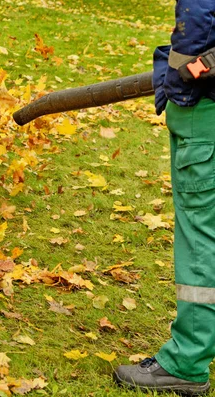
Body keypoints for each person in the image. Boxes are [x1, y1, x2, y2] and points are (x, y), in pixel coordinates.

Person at [113, 1, 215, 395]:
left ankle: (187, 362)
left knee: (201, 239)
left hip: (204, 114)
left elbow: (200, 19)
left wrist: (187, 70)